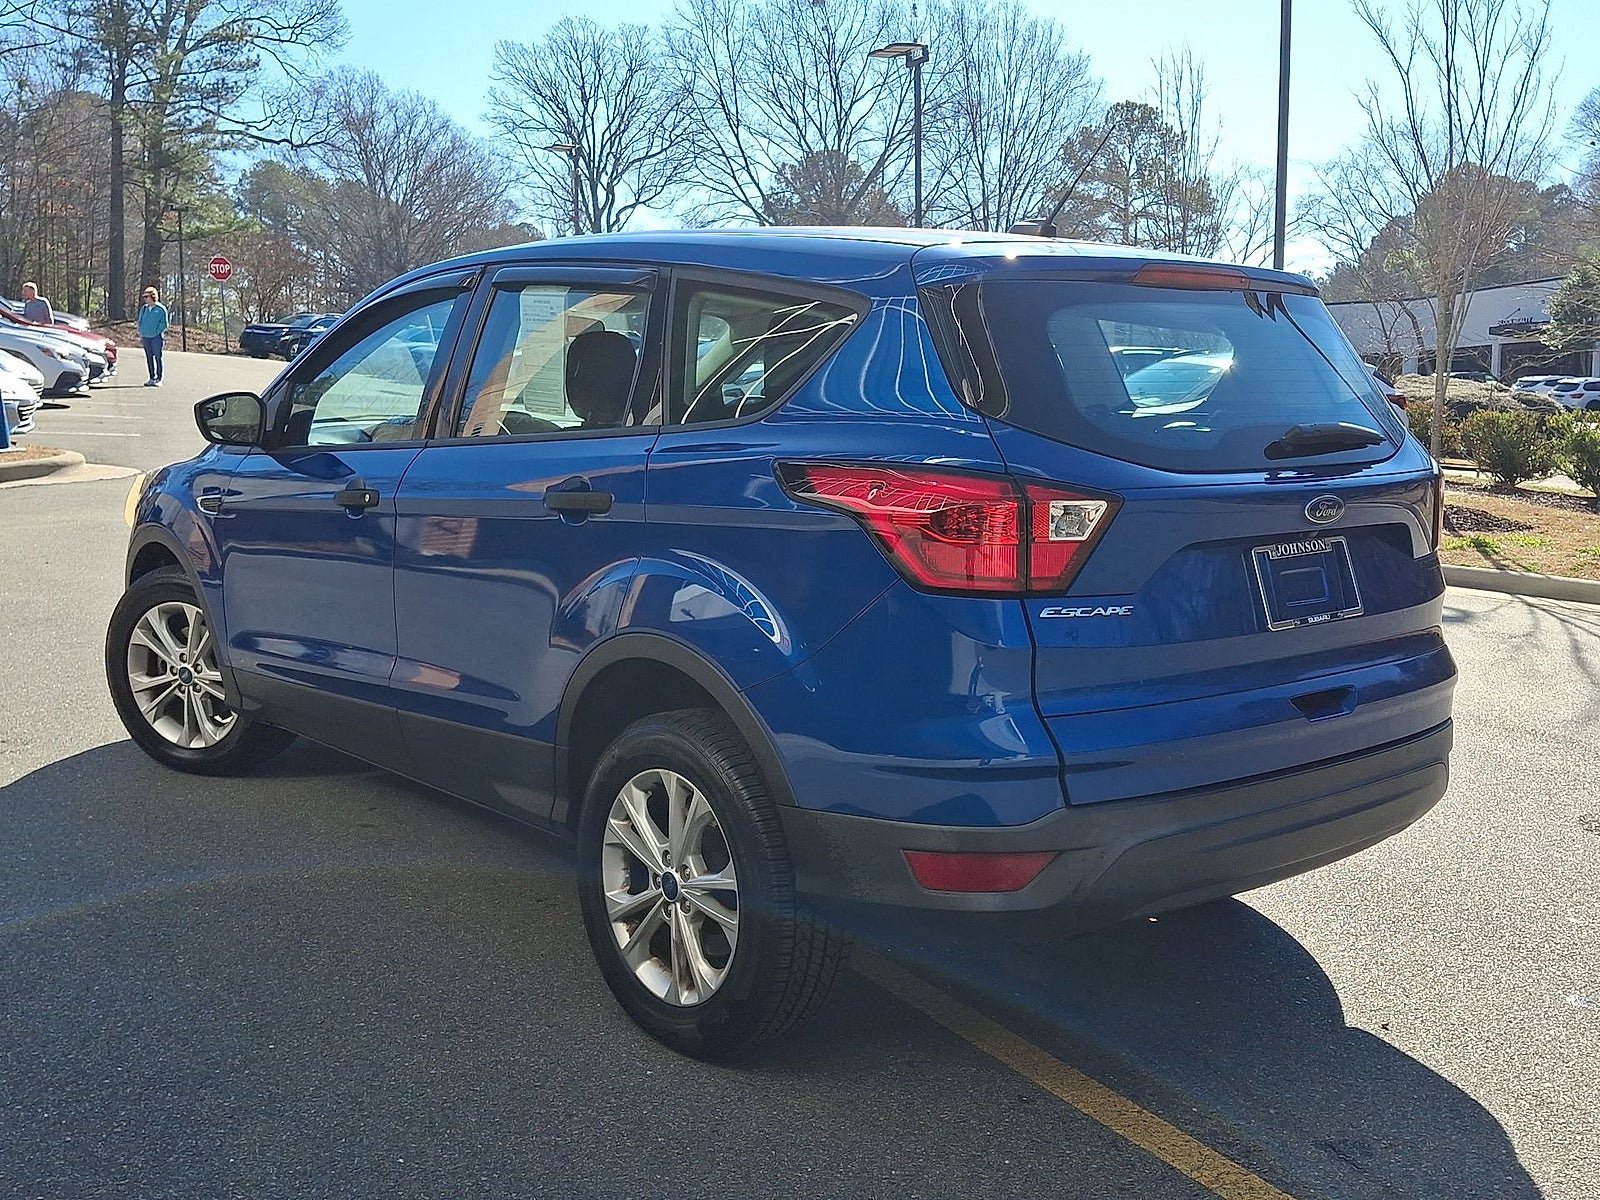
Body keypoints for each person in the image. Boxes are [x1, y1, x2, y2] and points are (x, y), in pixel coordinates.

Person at [137, 286, 169, 387]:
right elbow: (140, 321)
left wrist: (155, 332)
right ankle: (152, 377)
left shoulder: (161, 309)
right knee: (149, 357)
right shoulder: (144, 309)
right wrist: (141, 332)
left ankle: (159, 379)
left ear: (153, 296)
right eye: (144, 297)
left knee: (158, 357)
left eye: (147, 296)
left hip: (156, 337)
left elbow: (164, 323)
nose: (145, 299)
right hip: (146, 337)